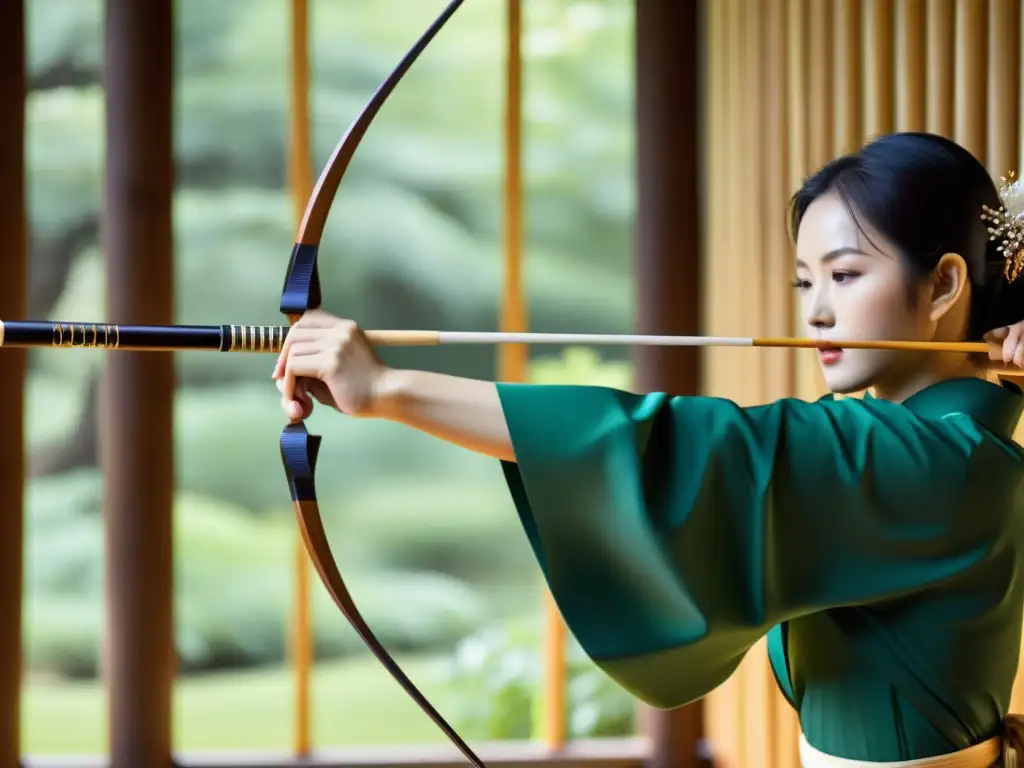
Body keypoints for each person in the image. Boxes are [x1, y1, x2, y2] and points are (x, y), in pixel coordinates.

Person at [272, 132, 1024, 766]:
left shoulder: (944, 466)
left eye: (845, 275)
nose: (818, 311)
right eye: (804, 283)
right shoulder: (953, 450)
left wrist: (389, 389)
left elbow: (688, 446)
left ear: (943, 285)